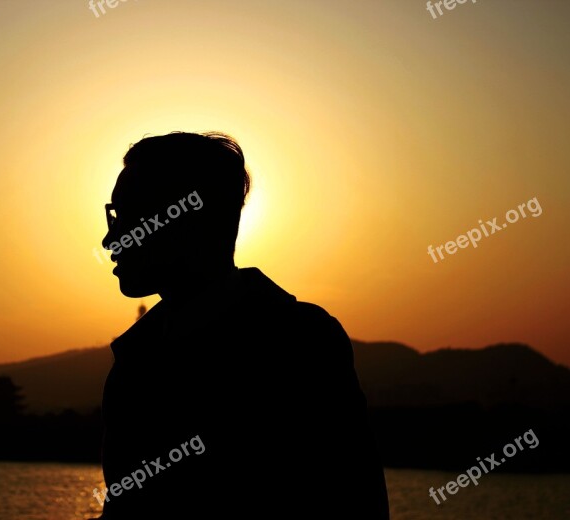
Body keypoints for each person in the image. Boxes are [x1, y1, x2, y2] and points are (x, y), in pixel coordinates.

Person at [94, 132, 389, 519]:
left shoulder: (300, 344)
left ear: (184, 220)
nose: (109, 238)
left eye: (128, 217)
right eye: (113, 215)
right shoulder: (134, 359)